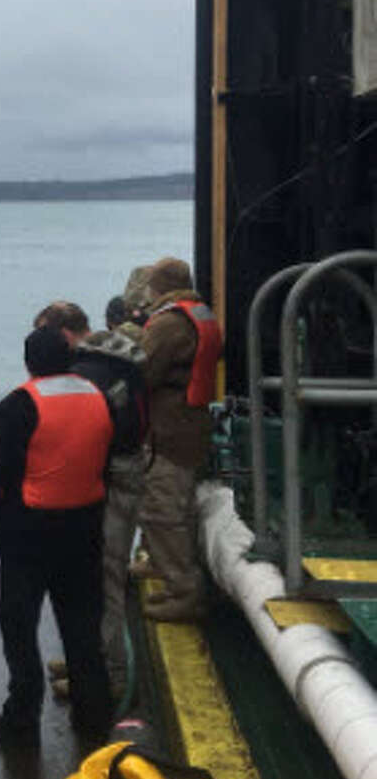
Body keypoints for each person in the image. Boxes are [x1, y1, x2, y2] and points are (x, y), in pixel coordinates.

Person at [0, 325, 115, 750]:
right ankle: (94, 719)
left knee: (19, 627)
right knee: (83, 629)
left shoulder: (18, 406)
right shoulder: (98, 398)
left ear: (29, 362)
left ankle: (21, 720)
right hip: (85, 529)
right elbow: (106, 460)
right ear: (70, 359)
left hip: (28, 536)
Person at [32, 300, 148, 705]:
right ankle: (88, 660)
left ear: (64, 334)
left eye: (45, 334)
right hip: (126, 470)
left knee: (104, 577)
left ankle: (109, 679)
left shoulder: (85, 376)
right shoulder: (113, 358)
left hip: (111, 479)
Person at [137, 256, 223, 622]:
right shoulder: (200, 313)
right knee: (178, 505)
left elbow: (143, 371)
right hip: (191, 423)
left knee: (163, 509)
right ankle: (160, 563)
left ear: (158, 288)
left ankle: (184, 592)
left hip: (169, 430)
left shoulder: (169, 323)